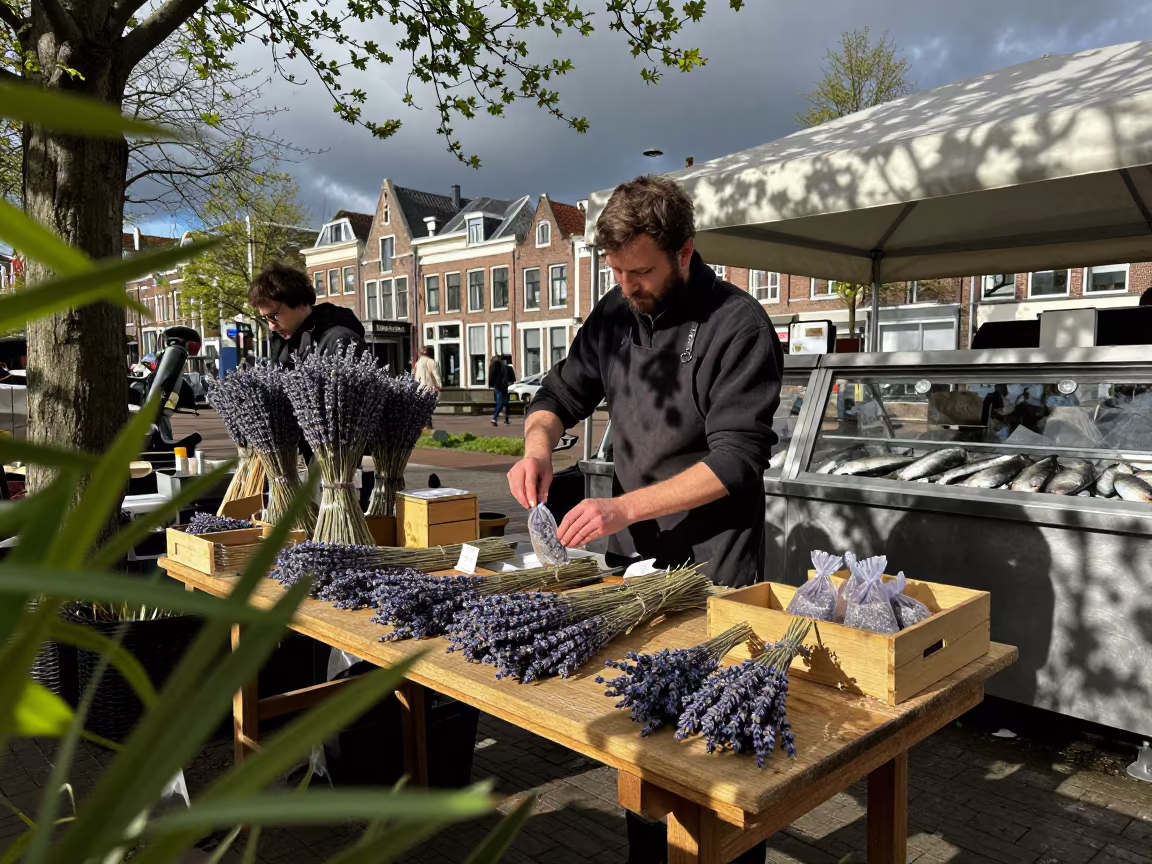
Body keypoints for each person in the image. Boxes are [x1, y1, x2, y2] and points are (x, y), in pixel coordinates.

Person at [506, 174, 782, 864]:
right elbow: (561, 392)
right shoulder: (612, 314)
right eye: (618, 271)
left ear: (684, 253)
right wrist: (537, 442)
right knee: (642, 732)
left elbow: (737, 460)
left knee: (719, 757)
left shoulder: (738, 325)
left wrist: (621, 505)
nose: (630, 285)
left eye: (643, 271)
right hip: (636, 563)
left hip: (716, 562)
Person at [248, 262, 366, 368]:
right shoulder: (285, 343)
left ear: (300, 303)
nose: (271, 326)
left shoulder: (341, 341)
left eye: (273, 316)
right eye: (265, 318)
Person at [414, 346, 442, 428]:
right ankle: (428, 425)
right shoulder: (431, 362)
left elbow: (415, 375)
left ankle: (424, 424)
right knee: (428, 407)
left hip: (419, 388)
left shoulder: (417, 363)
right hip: (429, 388)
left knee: (422, 407)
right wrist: (439, 386)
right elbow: (436, 376)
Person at [488, 354, 515, 426]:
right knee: (505, 402)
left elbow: (491, 376)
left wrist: (491, 384)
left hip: (498, 386)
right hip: (505, 387)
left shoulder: (493, 366)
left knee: (500, 402)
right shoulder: (507, 367)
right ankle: (505, 419)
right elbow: (511, 378)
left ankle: (495, 418)